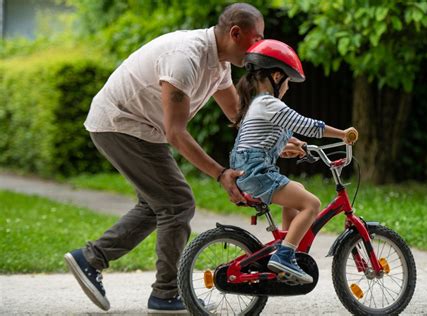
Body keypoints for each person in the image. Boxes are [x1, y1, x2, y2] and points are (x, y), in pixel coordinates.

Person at [63, 3, 264, 313]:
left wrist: (276, 138)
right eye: (257, 39)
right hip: (120, 122)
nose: (258, 48)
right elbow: (176, 133)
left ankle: (90, 258)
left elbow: (238, 115)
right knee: (177, 203)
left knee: (158, 204)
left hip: (138, 127)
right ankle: (166, 293)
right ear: (235, 33)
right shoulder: (186, 58)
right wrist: (221, 173)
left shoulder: (219, 65)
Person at [230, 39, 358, 284]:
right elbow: (307, 125)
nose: (288, 88)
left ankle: (286, 244)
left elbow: (263, 141)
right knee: (312, 203)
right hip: (256, 172)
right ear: (277, 76)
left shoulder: (258, 104)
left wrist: (289, 147)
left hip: (251, 169)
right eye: (287, 82)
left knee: (297, 191)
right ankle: (285, 255)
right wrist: (343, 134)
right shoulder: (269, 102)